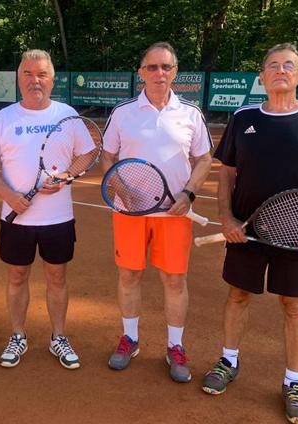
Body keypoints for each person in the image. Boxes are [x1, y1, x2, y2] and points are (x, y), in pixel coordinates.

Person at [201, 43, 298, 424]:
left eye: (289, 66)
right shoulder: (243, 117)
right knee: (237, 295)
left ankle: (293, 383)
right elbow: (226, 174)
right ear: (261, 77)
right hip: (245, 233)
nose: (281, 71)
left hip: (297, 235)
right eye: (273, 66)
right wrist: (227, 219)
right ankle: (228, 361)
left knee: (294, 306)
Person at [101, 41, 213, 382]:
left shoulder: (190, 113)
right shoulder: (123, 112)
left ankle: (175, 346)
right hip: (130, 213)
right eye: (152, 67)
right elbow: (107, 156)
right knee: (129, 275)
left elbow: (204, 158)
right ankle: (130, 339)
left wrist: (189, 193)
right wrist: (124, 191)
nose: (159, 73)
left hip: (174, 215)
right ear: (141, 73)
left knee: (174, 280)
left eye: (166, 67)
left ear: (175, 72)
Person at [0, 49, 92, 370]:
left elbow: (87, 153)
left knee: (57, 276)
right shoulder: (4, 118)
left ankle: (58, 337)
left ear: (52, 80)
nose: (34, 80)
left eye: (41, 74)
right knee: (16, 277)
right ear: (19, 79)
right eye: (28, 74)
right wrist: (8, 195)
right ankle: (17, 335)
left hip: (59, 219)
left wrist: (66, 176)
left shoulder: (67, 115)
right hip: (16, 220)